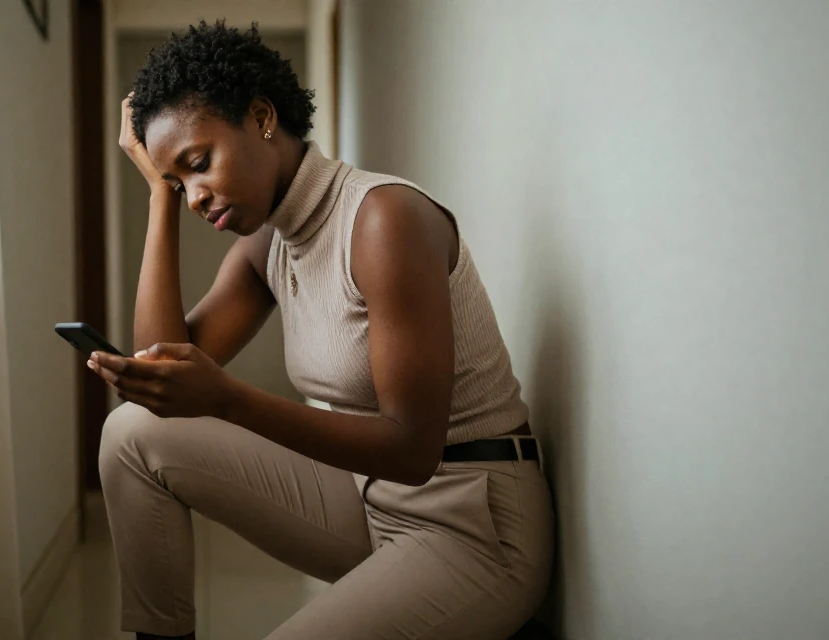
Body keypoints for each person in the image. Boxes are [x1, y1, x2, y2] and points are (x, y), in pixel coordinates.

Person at [87, 20, 553, 640]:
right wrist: (158, 198)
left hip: (471, 520)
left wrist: (226, 399)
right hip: (368, 500)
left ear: (260, 117)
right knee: (132, 431)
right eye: (178, 182)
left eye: (199, 165)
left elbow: (413, 451)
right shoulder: (267, 245)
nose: (195, 196)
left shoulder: (384, 219)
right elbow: (161, 369)